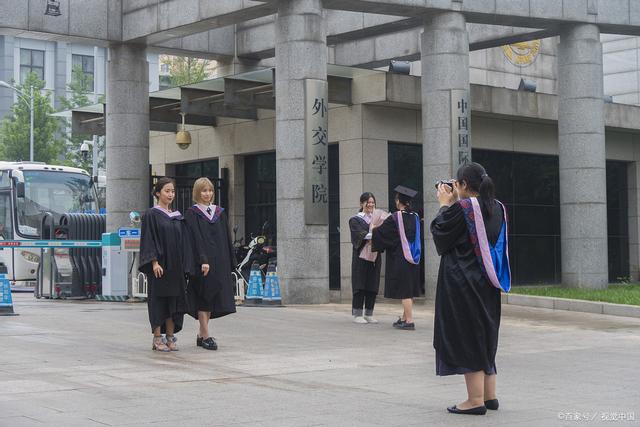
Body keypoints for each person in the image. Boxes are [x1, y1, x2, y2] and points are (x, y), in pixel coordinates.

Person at [431, 162, 511, 416]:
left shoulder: (464, 207)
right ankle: (489, 396)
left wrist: (445, 204)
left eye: (457, 184)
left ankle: (474, 400)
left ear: (464, 185)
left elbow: (440, 234)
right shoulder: (498, 208)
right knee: (484, 333)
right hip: (488, 283)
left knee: (467, 336)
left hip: (463, 283)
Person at [139, 177, 192, 352]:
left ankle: (170, 337)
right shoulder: (151, 215)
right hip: (160, 267)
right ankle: (157, 338)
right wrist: (154, 262)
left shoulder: (177, 217)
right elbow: (149, 240)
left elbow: (183, 242)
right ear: (157, 193)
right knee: (158, 301)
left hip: (175, 267)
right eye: (167, 191)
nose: (170, 194)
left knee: (174, 301)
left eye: (172, 191)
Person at [184, 177, 236, 350]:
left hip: (219, 262)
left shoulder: (219, 212)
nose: (208, 194)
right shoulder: (192, 213)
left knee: (212, 296)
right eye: (204, 190)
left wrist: (230, 261)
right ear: (197, 193)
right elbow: (195, 239)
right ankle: (206, 335)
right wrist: (203, 260)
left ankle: (201, 334)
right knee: (203, 297)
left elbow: (226, 238)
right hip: (203, 263)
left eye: (210, 190)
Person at [371, 185, 422, 330]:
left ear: (399, 201)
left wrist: (374, 229)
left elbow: (383, 233)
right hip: (414, 256)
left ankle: (409, 321)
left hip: (401, 257)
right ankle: (404, 317)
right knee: (408, 288)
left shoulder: (395, 217)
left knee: (405, 289)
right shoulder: (416, 216)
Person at [349, 192, 383, 324]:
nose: (370, 205)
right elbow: (360, 236)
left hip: (374, 256)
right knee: (360, 284)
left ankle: (369, 313)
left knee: (372, 284)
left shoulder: (378, 219)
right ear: (361, 203)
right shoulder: (355, 220)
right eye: (368, 202)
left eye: (372, 203)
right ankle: (357, 314)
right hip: (360, 257)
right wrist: (373, 231)